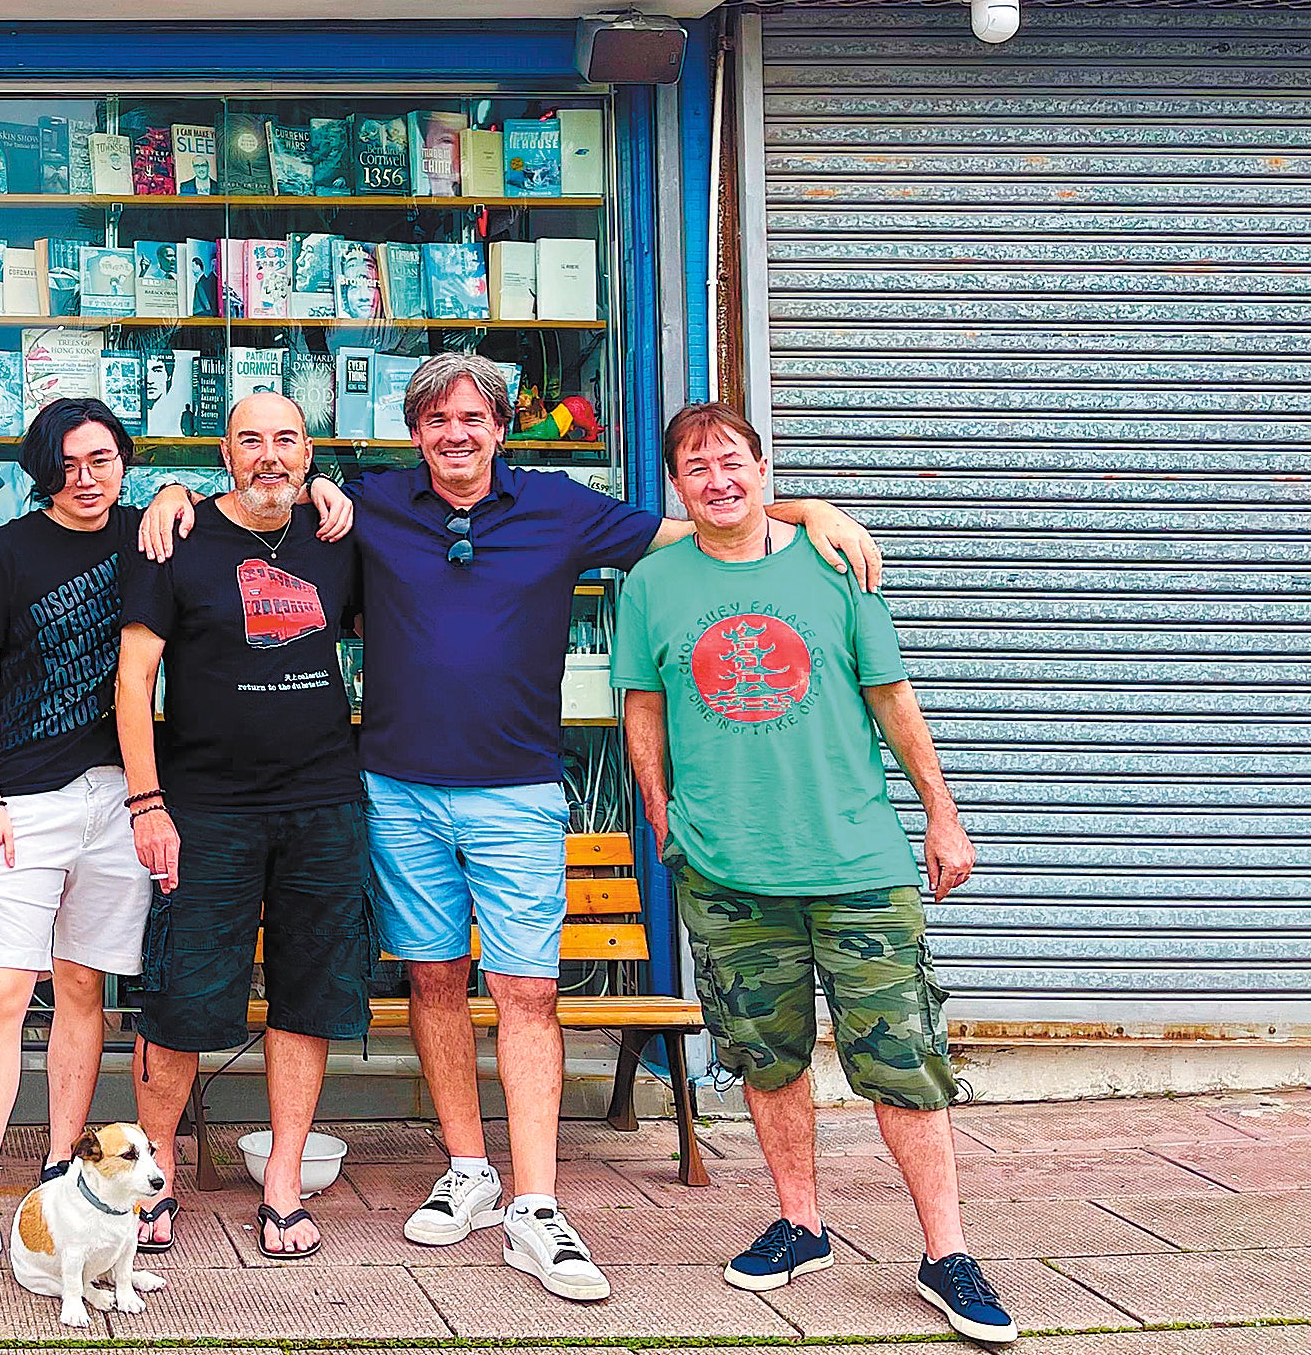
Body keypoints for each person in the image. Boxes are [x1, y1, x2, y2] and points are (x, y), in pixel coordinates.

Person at [141, 353, 880, 1304]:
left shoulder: (561, 507)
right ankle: (467, 1165)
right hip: (396, 790)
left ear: (501, 428)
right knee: (434, 978)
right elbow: (267, 490)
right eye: (436, 419)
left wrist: (808, 512)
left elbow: (696, 520)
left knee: (526, 988)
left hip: (517, 791)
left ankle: (534, 1199)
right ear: (415, 433)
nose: (455, 433)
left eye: (473, 418)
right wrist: (172, 490)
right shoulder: (371, 505)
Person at [616, 401, 1009, 1344]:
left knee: (901, 1058)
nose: (716, 478)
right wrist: (667, 822)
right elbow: (642, 710)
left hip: (855, 862)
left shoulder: (835, 564)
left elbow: (890, 696)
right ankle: (800, 1224)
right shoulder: (650, 583)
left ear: (762, 469)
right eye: (695, 466)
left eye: (730, 460)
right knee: (765, 1054)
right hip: (727, 869)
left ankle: (945, 1252)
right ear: (676, 485)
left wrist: (941, 815)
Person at [116, 394, 370, 1263]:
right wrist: (146, 804)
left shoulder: (338, 537)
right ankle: (156, 1180)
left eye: (287, 440)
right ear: (223, 452)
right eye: (251, 439)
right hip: (204, 808)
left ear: (308, 453)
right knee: (180, 998)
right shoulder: (176, 538)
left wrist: (334, 490)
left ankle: (283, 1184)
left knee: (307, 995)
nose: (270, 455)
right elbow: (132, 681)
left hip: (322, 803)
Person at [0, 397, 151, 1287]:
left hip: (120, 798)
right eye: (67, 465)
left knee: (85, 983)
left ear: (125, 458)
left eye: (102, 460)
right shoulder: (8, 550)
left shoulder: (151, 530)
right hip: (24, 799)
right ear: (41, 471)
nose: (86, 480)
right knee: (5, 990)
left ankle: (58, 1182)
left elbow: (252, 506)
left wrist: (322, 488)